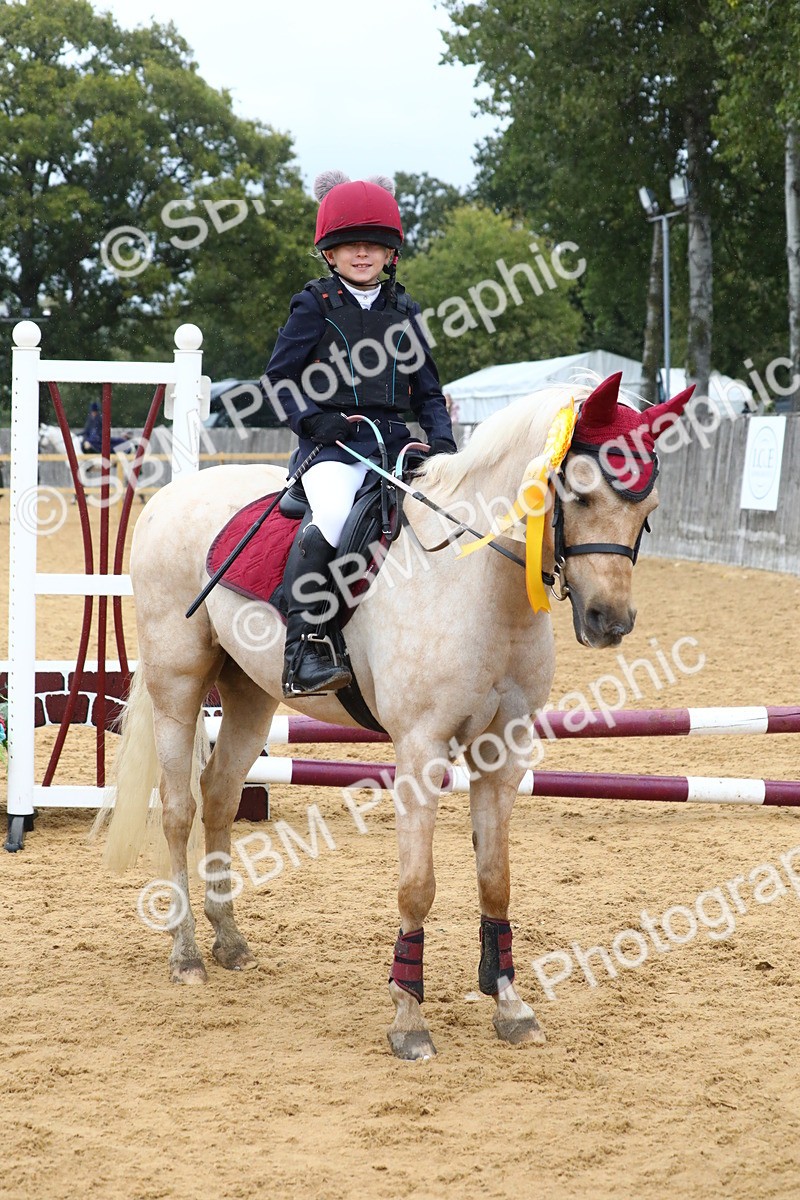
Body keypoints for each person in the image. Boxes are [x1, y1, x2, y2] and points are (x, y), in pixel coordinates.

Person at [263, 170, 457, 698]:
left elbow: (428, 392)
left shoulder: (405, 310)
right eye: (350, 246)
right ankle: (303, 647)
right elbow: (279, 379)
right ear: (329, 253)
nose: (363, 254)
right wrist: (312, 419)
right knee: (331, 513)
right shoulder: (314, 305)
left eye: (374, 245)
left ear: (391, 252)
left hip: (397, 446)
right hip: (333, 446)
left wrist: (442, 443)